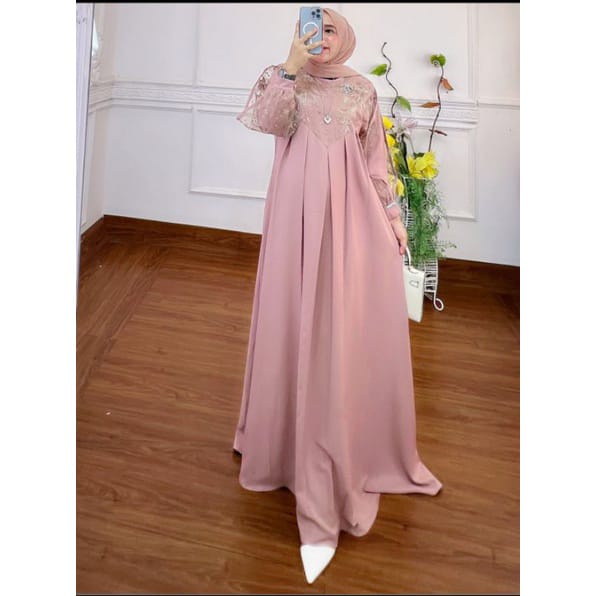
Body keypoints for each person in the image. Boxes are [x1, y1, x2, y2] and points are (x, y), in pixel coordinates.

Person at [233, 8, 443, 584]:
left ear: (343, 36)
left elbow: (376, 163)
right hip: (294, 224)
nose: (319, 38)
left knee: (344, 325)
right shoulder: (282, 79)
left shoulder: (362, 90)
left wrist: (393, 219)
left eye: (329, 29)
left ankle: (349, 432)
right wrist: (288, 66)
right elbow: (265, 121)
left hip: (352, 223)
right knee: (291, 317)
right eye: (311, 27)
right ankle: (278, 440)